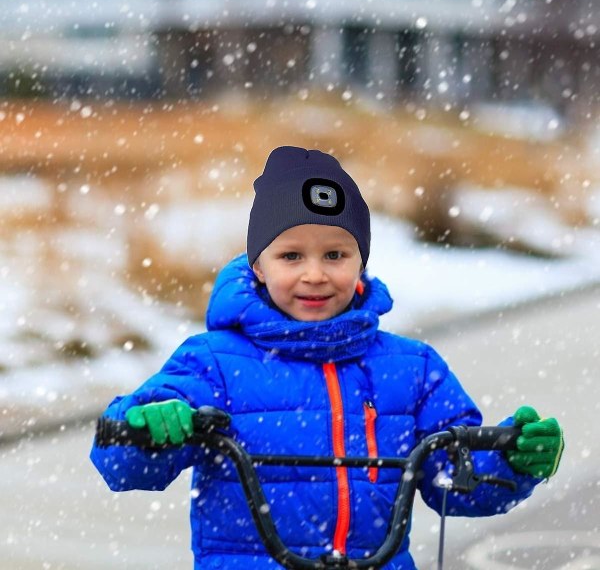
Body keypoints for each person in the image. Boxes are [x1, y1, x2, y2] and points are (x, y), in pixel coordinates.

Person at [90, 146, 564, 569]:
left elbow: (457, 481)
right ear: (258, 265)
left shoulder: (414, 369)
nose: (314, 275)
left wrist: (513, 463)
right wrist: (146, 430)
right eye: (291, 256)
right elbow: (123, 463)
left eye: (335, 254)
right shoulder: (212, 362)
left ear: (362, 263)